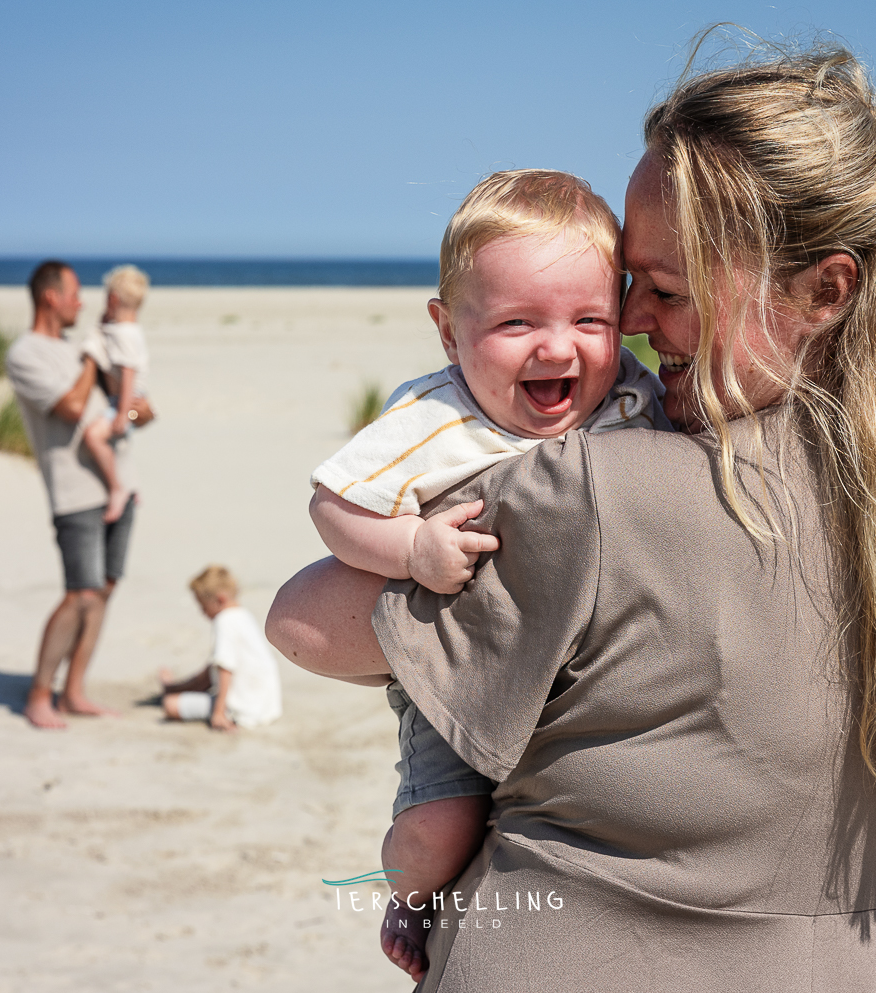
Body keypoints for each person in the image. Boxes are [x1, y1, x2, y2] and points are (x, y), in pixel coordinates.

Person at [266, 40, 876, 992]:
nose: (637, 322)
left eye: (668, 290)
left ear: (825, 290)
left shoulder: (597, 493)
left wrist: (412, 543)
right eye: (630, 286)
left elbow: (304, 623)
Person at [307, 169, 668, 977]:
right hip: (458, 669)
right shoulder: (437, 416)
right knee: (440, 831)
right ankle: (409, 896)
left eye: (590, 318)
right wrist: (409, 549)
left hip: (569, 679)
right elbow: (332, 503)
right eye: (515, 322)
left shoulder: (634, 398)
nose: (557, 346)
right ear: (448, 332)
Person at [5, 260, 153, 730]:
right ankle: (38, 694)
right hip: (75, 492)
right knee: (79, 594)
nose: (81, 301)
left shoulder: (81, 348)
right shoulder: (26, 354)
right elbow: (71, 407)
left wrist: (130, 413)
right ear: (50, 297)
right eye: (73, 293)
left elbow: (136, 411)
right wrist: (92, 357)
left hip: (120, 486)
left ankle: (74, 691)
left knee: (104, 591)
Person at [159, 566, 283, 731]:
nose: (201, 612)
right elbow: (211, 670)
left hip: (243, 708)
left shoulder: (224, 621)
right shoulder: (243, 615)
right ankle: (173, 687)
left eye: (203, 605)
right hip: (267, 705)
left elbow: (225, 667)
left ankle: (178, 692)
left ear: (220, 599)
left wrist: (218, 713)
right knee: (207, 674)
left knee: (170, 705)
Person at [81, 264, 154, 524]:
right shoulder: (127, 331)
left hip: (126, 402)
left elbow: (128, 373)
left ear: (112, 299)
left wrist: (124, 413)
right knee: (115, 445)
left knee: (94, 437)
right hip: (126, 402)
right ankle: (129, 488)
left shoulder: (124, 334)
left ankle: (117, 487)